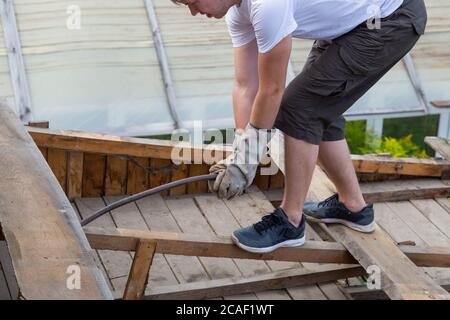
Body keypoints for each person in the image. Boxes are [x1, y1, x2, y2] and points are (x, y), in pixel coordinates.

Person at [171, 0, 427, 253]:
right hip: (355, 23)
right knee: (319, 106)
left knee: (299, 108)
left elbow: (272, 89)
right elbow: (246, 86)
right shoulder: (238, 14)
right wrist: (241, 153)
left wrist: (247, 158)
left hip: (389, 18)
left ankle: (290, 221)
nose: (194, 12)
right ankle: (354, 208)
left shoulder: (268, 6)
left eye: (193, 2)